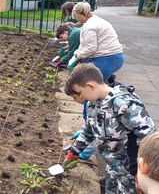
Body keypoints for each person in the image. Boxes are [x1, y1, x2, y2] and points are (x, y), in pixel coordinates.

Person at [63, 63, 155, 194]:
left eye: (78, 94)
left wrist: (143, 172)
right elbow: (89, 130)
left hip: (130, 170)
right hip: (112, 165)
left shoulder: (125, 105)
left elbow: (149, 138)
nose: (78, 99)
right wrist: (74, 152)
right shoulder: (92, 105)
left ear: (90, 86)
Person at [67, 2, 123, 84]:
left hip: (108, 58)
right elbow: (84, 44)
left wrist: (77, 56)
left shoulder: (89, 26)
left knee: (91, 88)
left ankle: (114, 91)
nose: (76, 19)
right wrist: (76, 55)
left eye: (75, 17)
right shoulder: (94, 20)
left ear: (78, 15)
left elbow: (91, 48)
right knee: (89, 82)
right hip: (109, 56)